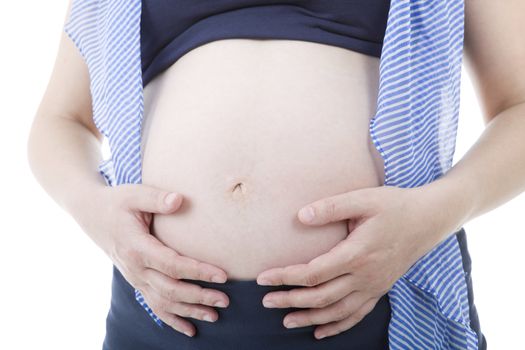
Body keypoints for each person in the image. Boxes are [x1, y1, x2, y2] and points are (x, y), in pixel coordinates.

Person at [26, 0, 524, 349]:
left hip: (374, 312)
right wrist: (93, 211)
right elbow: (60, 120)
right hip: (162, 318)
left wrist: (436, 212)